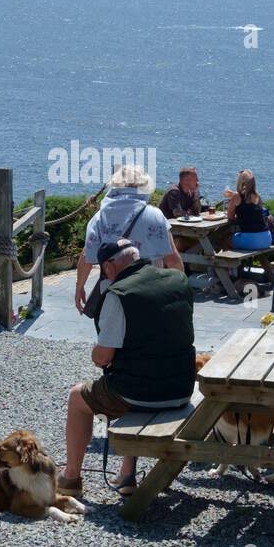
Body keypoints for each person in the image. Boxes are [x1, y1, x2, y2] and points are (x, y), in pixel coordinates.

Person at [58, 238, 196, 498]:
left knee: (79, 397)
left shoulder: (119, 294)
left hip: (140, 393)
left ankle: (71, 477)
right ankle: (126, 474)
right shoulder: (177, 279)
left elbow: (103, 356)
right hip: (182, 388)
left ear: (110, 266)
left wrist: (96, 354)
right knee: (135, 377)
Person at [75, 165, 182, 313]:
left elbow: (87, 255)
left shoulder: (100, 217)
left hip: (113, 292)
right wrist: (181, 290)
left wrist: (79, 287)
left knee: (112, 332)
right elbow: (173, 259)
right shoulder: (154, 215)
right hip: (151, 290)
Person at [223, 169, 273, 251]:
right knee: (234, 237)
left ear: (240, 182)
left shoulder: (236, 196)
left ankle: (228, 263)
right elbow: (250, 209)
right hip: (266, 239)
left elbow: (230, 217)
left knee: (224, 239)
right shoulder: (257, 196)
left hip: (252, 241)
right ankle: (258, 262)